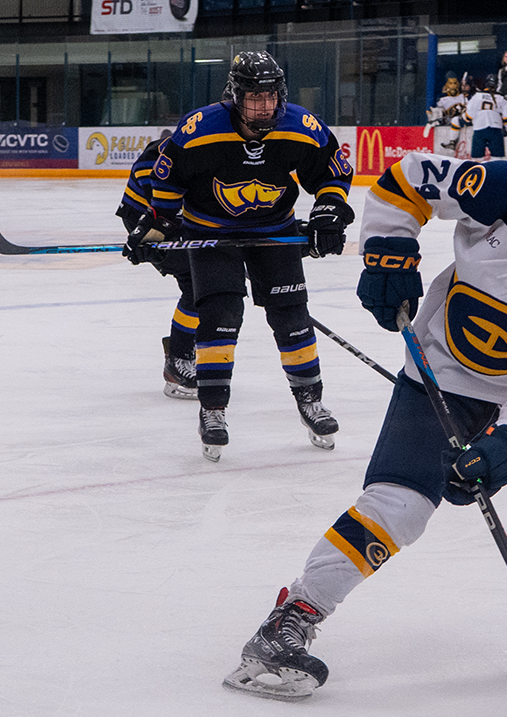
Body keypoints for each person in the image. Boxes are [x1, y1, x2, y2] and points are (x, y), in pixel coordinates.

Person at [223, 114, 507, 710]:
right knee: (399, 508)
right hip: (439, 381)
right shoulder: (501, 188)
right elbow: (406, 179)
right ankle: (288, 622)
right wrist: (389, 247)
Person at [123, 52, 355, 462]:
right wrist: (153, 231)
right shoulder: (200, 129)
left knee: (292, 316)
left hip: (274, 229)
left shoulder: (300, 125)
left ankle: (311, 401)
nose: (265, 105)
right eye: (255, 97)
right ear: (235, 95)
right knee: (222, 313)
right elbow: (167, 184)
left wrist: (328, 213)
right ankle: (212, 410)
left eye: (271, 96)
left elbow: (332, 172)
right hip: (209, 233)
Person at [116, 137, 201, 401]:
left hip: (184, 221)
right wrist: (156, 233)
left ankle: (185, 348)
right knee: (199, 285)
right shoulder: (182, 144)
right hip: (145, 220)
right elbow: (153, 179)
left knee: (213, 283)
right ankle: (178, 359)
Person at [453, 74, 507, 158]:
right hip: (496, 129)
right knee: (497, 158)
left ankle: (479, 171)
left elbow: (469, 116)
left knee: (477, 158)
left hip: (479, 128)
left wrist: (466, 120)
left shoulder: (477, 96)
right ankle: (494, 171)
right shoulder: (501, 98)